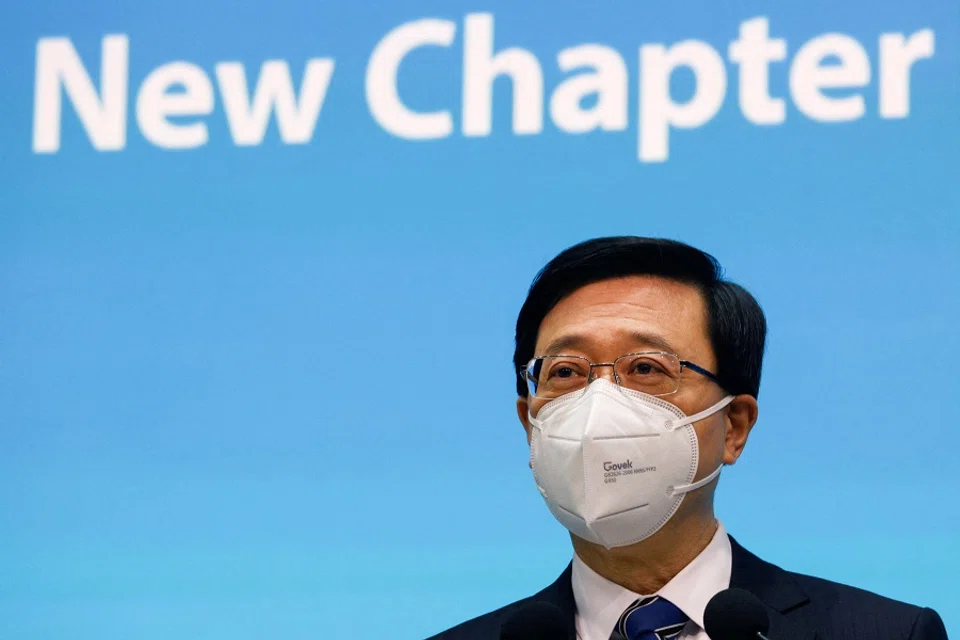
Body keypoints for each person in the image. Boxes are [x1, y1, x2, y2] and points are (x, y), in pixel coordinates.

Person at [427, 237, 948, 640]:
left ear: (735, 426)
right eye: (565, 372)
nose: (599, 404)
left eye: (647, 367)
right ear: (530, 425)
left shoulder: (886, 632)